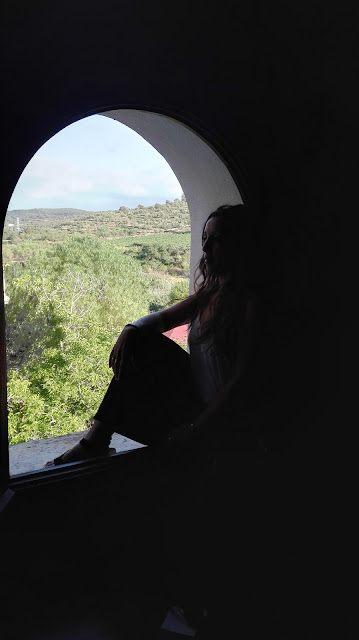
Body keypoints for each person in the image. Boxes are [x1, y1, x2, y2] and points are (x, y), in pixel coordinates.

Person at [45, 203, 264, 467]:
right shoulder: (207, 297)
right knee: (143, 341)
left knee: (144, 349)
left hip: (219, 422)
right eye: (204, 239)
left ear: (239, 245)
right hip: (194, 406)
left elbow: (243, 382)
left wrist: (195, 428)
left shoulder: (251, 304)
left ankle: (94, 443)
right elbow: (160, 319)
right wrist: (131, 329)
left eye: (216, 240)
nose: (205, 249)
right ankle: (96, 439)